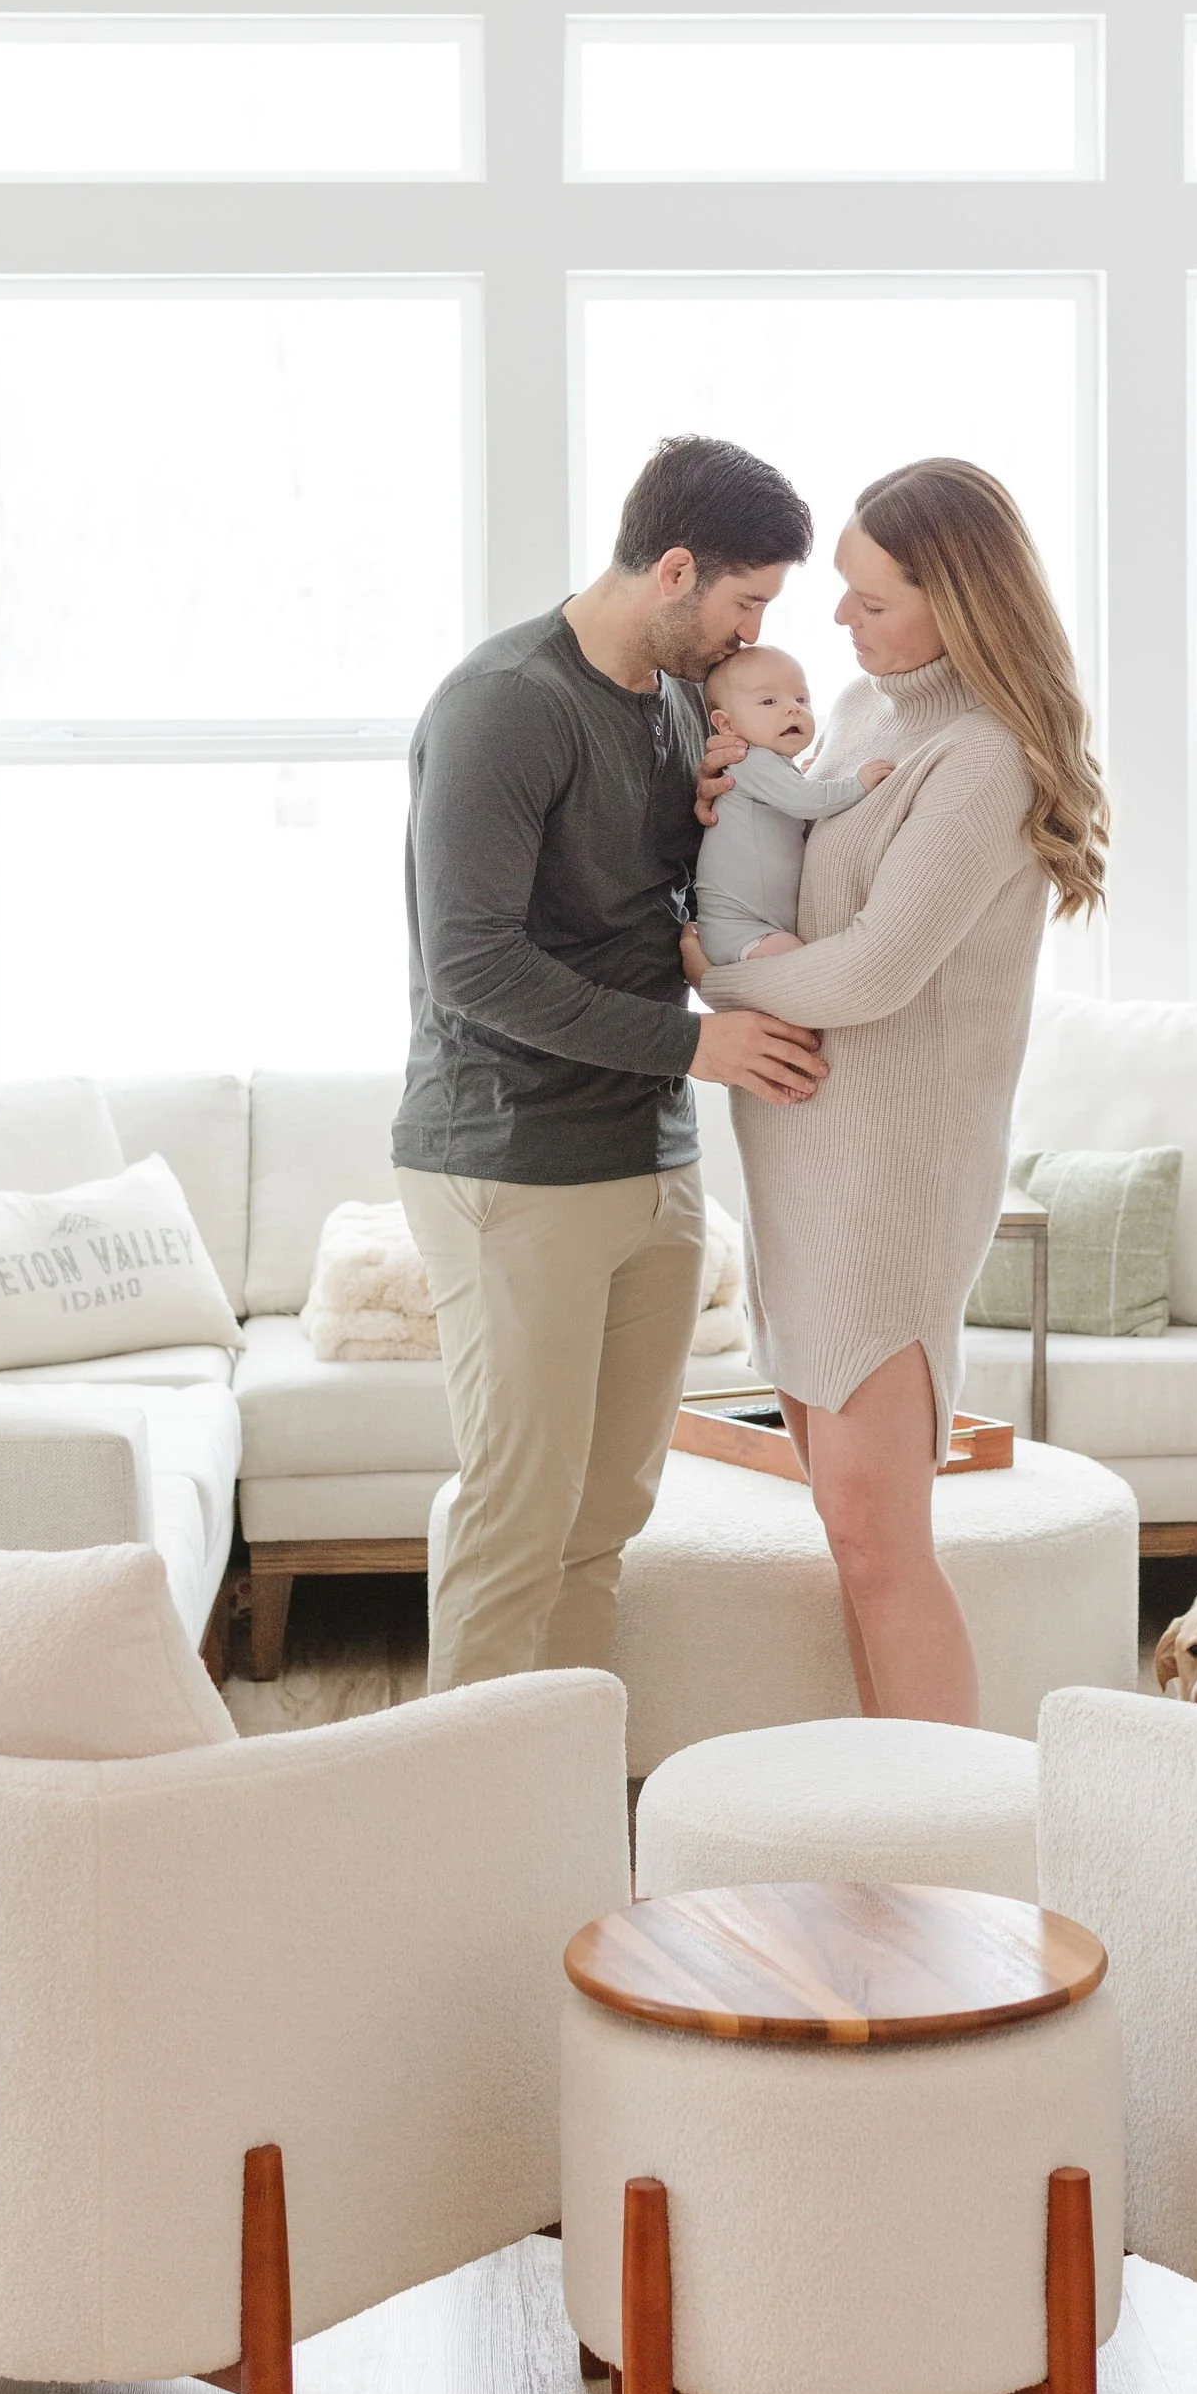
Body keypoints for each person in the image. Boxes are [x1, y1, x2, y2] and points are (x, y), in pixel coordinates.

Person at [396, 435, 830, 1691]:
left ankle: (565, 1811)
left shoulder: (687, 706)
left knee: (603, 1527)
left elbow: (657, 903)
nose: (753, 633)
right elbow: (469, 963)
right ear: (676, 569)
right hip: (514, 1161)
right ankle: (469, 1838)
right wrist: (698, 1044)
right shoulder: (505, 706)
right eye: (746, 602)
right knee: (518, 1521)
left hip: (649, 1160)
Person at [686, 459, 1107, 1725]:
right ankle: (888, 1826)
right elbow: (786, 888)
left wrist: (711, 977)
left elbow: (870, 975)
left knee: (881, 1545)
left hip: (888, 1188)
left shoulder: (982, 763)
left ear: (958, 602)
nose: (838, 623)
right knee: (846, 1534)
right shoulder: (864, 711)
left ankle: (947, 1857)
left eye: (870, 599)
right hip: (802, 1172)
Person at [691, 642, 893, 963]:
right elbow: (805, 801)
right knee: (805, 967)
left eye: (801, 699)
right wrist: (857, 784)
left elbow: (795, 795)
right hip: (740, 927)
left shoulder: (772, 767)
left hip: (761, 923)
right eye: (769, 701)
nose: (792, 709)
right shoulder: (749, 761)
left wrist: (806, 779)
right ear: (727, 725)